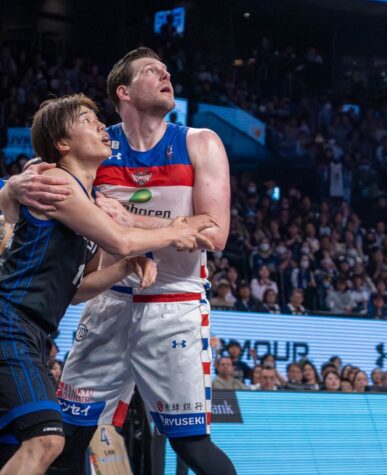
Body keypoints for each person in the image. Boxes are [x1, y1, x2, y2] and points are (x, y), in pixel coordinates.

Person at [5, 48, 236, 475]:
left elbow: (215, 234)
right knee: (67, 438)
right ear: (123, 92)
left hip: (173, 302)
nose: (166, 75)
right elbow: (34, 182)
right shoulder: (96, 145)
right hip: (108, 300)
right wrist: (11, 187)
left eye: (166, 70)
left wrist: (133, 220)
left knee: (191, 444)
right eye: (152, 70)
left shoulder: (198, 142)